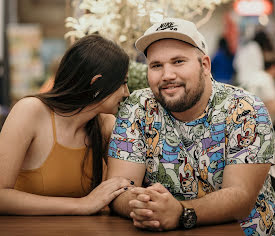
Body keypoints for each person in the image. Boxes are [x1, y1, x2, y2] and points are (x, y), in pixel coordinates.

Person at [107, 18, 275, 235]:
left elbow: (240, 197)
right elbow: (118, 189)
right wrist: (148, 207)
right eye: (156, 65)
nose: (167, 75)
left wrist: (180, 212)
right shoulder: (137, 108)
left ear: (204, 65)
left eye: (178, 62)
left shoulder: (245, 109)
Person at [0, 34, 132, 215]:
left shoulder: (106, 125)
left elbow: (124, 185)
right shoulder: (30, 111)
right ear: (97, 83)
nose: (127, 93)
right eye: (123, 83)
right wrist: (83, 205)